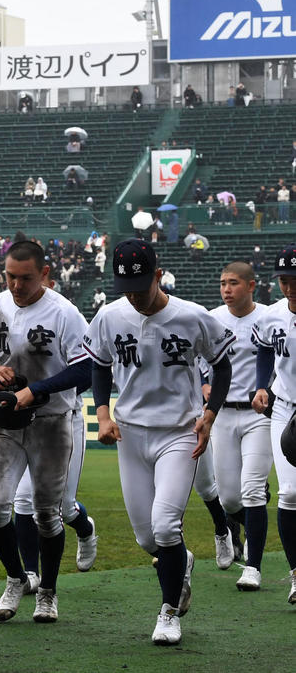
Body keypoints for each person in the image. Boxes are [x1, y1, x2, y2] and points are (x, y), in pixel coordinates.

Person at [85, 239, 234, 646]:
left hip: (177, 433)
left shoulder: (192, 317)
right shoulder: (109, 315)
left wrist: (209, 414)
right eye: (124, 287)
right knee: (147, 538)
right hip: (130, 434)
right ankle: (180, 562)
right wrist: (102, 413)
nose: (132, 295)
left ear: (158, 274)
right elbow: (99, 366)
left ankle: (169, 611)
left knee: (166, 526)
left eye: (140, 285)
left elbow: (222, 367)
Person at [0, 240, 92, 624]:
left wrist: (36, 389)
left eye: (26, 278)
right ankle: (16, 579)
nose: (16, 285)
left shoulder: (64, 313)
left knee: (47, 515)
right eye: (10, 276)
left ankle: (47, 592)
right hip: (6, 421)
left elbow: (84, 370)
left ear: (45, 274)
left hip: (51, 420)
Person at [201, 261, 271, 590]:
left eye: (234, 283)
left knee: (253, 490)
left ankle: (253, 567)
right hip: (223, 414)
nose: (227, 289)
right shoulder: (212, 319)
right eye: (223, 283)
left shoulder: (269, 317)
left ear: (251, 285)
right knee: (229, 498)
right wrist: (203, 384)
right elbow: (200, 361)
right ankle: (242, 528)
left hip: (259, 416)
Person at [252, 243, 296, 604]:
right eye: (284, 279)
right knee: (290, 493)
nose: (290, 286)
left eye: (294, 279)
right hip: (284, 409)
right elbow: (265, 348)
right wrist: (262, 385)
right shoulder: (272, 315)